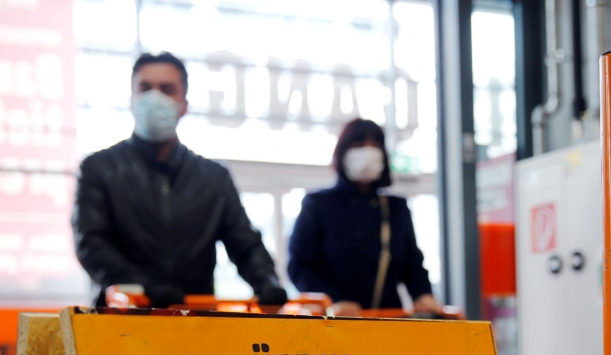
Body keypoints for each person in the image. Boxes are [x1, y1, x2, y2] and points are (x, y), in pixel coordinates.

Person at [73, 52, 287, 308]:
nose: (154, 98)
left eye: (167, 89)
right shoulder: (99, 169)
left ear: (184, 105)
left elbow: (244, 242)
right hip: (120, 317)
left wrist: (267, 282)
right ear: (131, 100)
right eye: (145, 88)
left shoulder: (213, 178)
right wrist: (144, 287)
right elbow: (91, 244)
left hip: (194, 319)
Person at [287, 119, 439, 317]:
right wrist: (333, 301)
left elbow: (412, 264)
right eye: (359, 144)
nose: (368, 152)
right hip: (332, 322)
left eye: (375, 145)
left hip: (386, 320)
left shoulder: (395, 208)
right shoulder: (318, 205)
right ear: (343, 152)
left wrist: (424, 295)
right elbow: (299, 266)